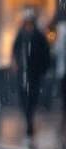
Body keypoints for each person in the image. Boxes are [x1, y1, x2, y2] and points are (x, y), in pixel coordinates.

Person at [11, 9, 51, 138]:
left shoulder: (38, 36)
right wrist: (16, 64)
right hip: (23, 73)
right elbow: (15, 50)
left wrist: (43, 69)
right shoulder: (21, 35)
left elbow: (45, 54)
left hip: (34, 73)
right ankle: (28, 119)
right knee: (24, 97)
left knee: (32, 97)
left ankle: (29, 119)